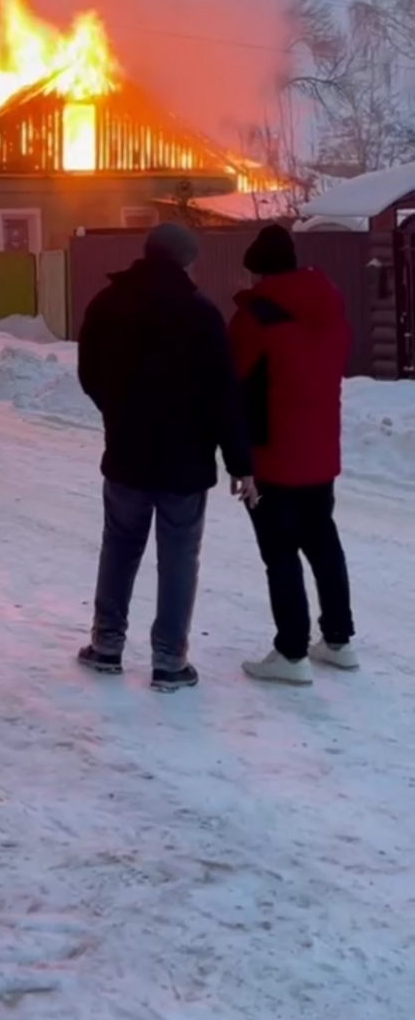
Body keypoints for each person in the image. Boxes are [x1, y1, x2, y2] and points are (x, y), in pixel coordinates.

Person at [77, 223, 256, 692]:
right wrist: (240, 463)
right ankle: (169, 661)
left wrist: (116, 411)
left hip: (126, 454)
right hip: (186, 462)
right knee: (178, 557)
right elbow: (222, 396)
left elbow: (90, 373)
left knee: (119, 546)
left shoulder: (106, 304)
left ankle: (107, 645)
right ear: (185, 260)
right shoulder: (201, 313)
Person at [230, 224, 355, 685]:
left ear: (258, 271)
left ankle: (291, 652)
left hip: (272, 457)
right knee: (323, 542)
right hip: (321, 451)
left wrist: (235, 454)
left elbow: (235, 387)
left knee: (279, 552)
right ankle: (339, 640)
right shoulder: (330, 310)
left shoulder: (254, 319)